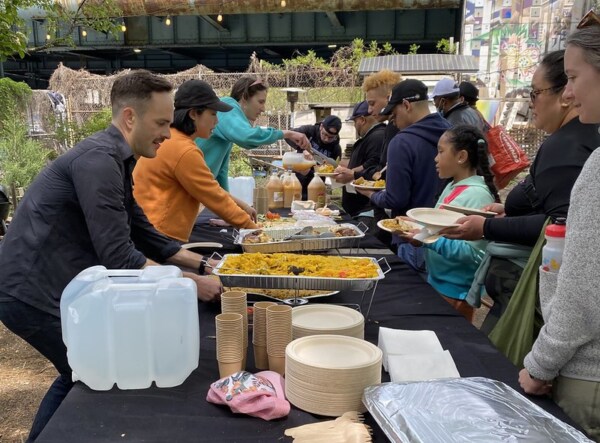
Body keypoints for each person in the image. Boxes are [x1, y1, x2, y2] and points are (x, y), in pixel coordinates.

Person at [0, 70, 222, 442]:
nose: (168, 134)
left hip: (55, 283)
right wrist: (190, 284)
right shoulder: (98, 160)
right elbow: (119, 255)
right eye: (162, 122)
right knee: (86, 373)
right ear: (130, 117)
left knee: (83, 374)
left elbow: (142, 232)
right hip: (28, 290)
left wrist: (206, 264)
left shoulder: (117, 158)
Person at [441, 50, 600, 330]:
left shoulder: (566, 146)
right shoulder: (578, 140)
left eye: (535, 93)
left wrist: (486, 228)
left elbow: (562, 226)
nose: (531, 102)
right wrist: (508, 211)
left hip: (531, 301)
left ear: (565, 94)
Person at [519, 16, 600, 440]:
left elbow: (583, 292)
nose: (569, 94)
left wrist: (539, 365)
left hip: (590, 379)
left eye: (572, 77)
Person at [133, 80, 258, 242]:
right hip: (158, 236)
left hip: (145, 231)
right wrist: (254, 228)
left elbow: (209, 189)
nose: (217, 121)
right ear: (193, 114)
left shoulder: (171, 139)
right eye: (213, 114)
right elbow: (213, 196)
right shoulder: (184, 150)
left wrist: (243, 207)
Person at [405, 125, 499, 322]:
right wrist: (417, 231)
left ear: (461, 156)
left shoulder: (476, 195)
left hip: (456, 291)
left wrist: (425, 239)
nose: (435, 158)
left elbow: (474, 254)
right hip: (439, 282)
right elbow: (440, 230)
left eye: (440, 151)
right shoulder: (452, 186)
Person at [357, 79, 451, 270]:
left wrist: (369, 193)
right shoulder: (452, 133)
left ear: (406, 105)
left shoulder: (402, 142)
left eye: (394, 113)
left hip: (413, 237)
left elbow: (395, 199)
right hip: (449, 239)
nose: (393, 120)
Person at [196, 76, 310, 191]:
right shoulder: (228, 107)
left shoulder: (229, 127)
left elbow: (221, 172)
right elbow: (248, 136)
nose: (263, 109)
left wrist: (230, 206)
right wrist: (287, 134)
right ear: (245, 97)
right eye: (260, 102)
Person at [333, 101, 385, 223]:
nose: (355, 126)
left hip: (367, 210)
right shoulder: (370, 137)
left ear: (362, 119)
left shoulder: (377, 137)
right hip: (358, 210)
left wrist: (350, 174)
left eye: (355, 122)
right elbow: (361, 163)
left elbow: (373, 166)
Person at [285, 115, 342, 200]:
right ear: (321, 126)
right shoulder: (309, 131)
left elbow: (333, 169)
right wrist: (302, 148)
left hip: (317, 183)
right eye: (324, 134)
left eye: (331, 137)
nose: (326, 139)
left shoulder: (336, 148)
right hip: (297, 179)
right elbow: (288, 136)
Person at [360, 69, 402, 181]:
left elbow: (385, 172)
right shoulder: (391, 126)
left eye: (372, 104)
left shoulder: (396, 128)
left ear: (389, 99)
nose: (369, 110)